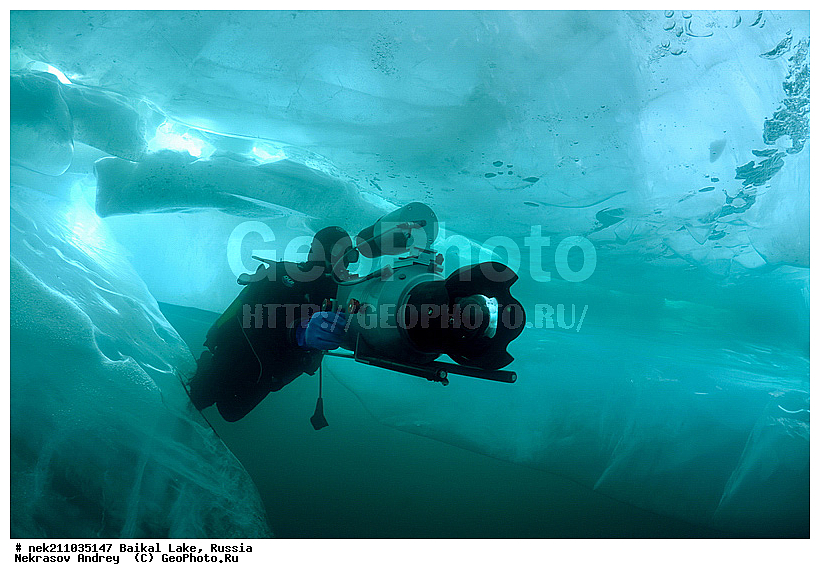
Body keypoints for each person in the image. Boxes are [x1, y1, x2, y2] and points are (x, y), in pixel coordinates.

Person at [188, 226, 354, 422]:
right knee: (199, 397)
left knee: (232, 412)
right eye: (340, 254)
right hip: (239, 350)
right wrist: (299, 332)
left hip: (275, 367)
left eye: (350, 256)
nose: (346, 263)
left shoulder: (343, 292)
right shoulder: (284, 274)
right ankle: (205, 367)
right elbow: (260, 314)